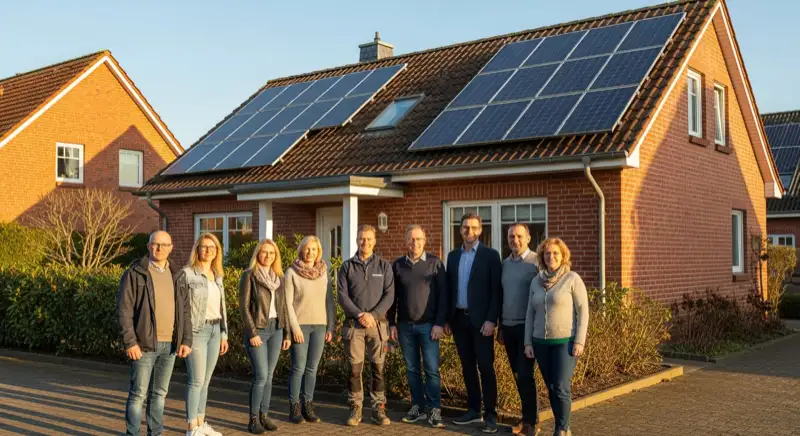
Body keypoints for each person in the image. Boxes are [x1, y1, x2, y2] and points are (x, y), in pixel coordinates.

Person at [117, 230, 192, 436]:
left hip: (170, 345)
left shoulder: (178, 275)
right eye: (155, 244)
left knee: (159, 393)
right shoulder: (135, 273)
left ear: (171, 248)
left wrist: (186, 339)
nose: (159, 248)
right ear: (149, 246)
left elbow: (185, 310)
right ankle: (133, 433)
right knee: (138, 394)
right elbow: (124, 310)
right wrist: (130, 342)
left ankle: (155, 433)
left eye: (164, 245)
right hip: (143, 345)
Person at [524, 238, 589, 436]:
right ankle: (560, 424)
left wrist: (579, 340)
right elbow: (530, 313)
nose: (551, 257)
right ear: (542, 256)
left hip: (565, 342)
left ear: (563, 256)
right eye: (547, 253)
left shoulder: (572, 279)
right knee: (551, 387)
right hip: (540, 342)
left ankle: (563, 428)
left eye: (555, 253)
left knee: (561, 387)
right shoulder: (536, 281)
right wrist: (528, 342)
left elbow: (583, 310)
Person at [446, 212, 502, 433]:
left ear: (480, 230)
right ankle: (473, 410)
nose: (469, 231)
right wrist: (447, 319)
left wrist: (491, 320)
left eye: (474, 228)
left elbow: (496, 291)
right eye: (465, 228)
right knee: (467, 367)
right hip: (459, 320)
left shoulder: (491, 255)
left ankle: (491, 415)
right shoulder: (452, 256)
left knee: (486, 368)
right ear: (460, 230)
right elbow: (450, 289)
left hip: (481, 323)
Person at [389, 225, 448, 428]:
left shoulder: (435, 263)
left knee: (431, 370)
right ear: (406, 241)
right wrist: (391, 323)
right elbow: (393, 298)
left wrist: (439, 323)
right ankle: (417, 407)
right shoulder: (398, 265)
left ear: (425, 240)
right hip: (405, 326)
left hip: (429, 326)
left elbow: (443, 296)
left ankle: (434, 409)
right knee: (412, 369)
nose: (415, 243)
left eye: (419, 239)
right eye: (411, 239)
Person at [338, 224, 395, 427]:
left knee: (377, 369)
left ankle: (378, 409)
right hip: (354, 326)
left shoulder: (384, 266)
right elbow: (342, 296)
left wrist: (373, 315)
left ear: (375, 241)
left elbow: (390, 295)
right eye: (362, 238)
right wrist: (359, 314)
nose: (365, 242)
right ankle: (355, 407)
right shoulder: (347, 267)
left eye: (369, 239)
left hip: (377, 326)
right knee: (355, 370)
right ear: (357, 240)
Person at [240, 239, 291, 433]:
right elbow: (244, 308)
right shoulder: (249, 275)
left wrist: (286, 333)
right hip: (258, 330)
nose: (268, 256)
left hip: (276, 329)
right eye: (264, 252)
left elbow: (283, 307)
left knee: (269, 376)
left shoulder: (279, 278)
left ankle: (264, 416)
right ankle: (253, 420)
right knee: (261, 375)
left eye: (272, 253)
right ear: (257, 254)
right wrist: (252, 332)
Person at [181, 233, 229, 436]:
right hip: (196, 332)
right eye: (204, 246)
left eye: (212, 247)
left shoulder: (217, 276)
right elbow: (182, 309)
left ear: (217, 251)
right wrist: (184, 337)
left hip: (215, 331)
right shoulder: (187, 274)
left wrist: (224, 334)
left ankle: (201, 423)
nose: (208, 250)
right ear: (197, 249)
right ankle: (191, 428)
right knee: (196, 381)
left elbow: (222, 306)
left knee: (206, 381)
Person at [284, 235, 335, 424]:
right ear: (301, 250)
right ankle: (294, 407)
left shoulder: (324, 273)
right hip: (300, 327)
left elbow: (329, 302)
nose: (310, 252)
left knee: (312, 368)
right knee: (298, 367)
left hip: (320, 326)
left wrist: (331, 326)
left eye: (314, 249)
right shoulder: (292, 272)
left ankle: (308, 405)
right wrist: (295, 328)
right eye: (307, 248)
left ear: (318, 251)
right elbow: (287, 303)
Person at [499, 224, 540, 436]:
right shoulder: (505, 264)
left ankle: (530, 423)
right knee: (517, 375)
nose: (515, 240)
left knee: (525, 374)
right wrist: (500, 327)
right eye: (511, 236)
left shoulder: (536, 262)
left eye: (519, 236)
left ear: (528, 238)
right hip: (508, 327)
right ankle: (528, 418)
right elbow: (502, 296)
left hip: (527, 328)